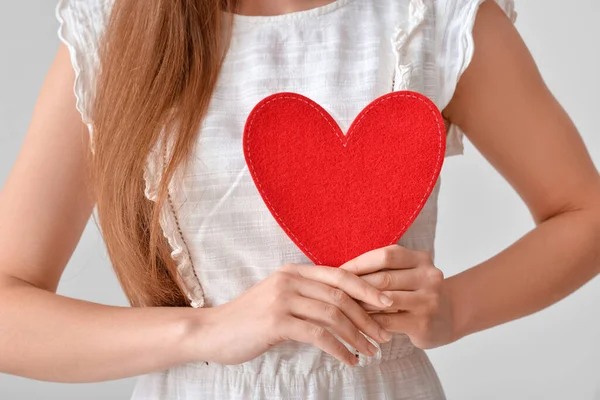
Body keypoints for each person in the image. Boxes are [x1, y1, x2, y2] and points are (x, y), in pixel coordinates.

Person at [1, 0, 599, 398]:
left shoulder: (431, 15)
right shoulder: (115, 28)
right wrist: (208, 331)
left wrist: (456, 309)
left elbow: (585, 213)